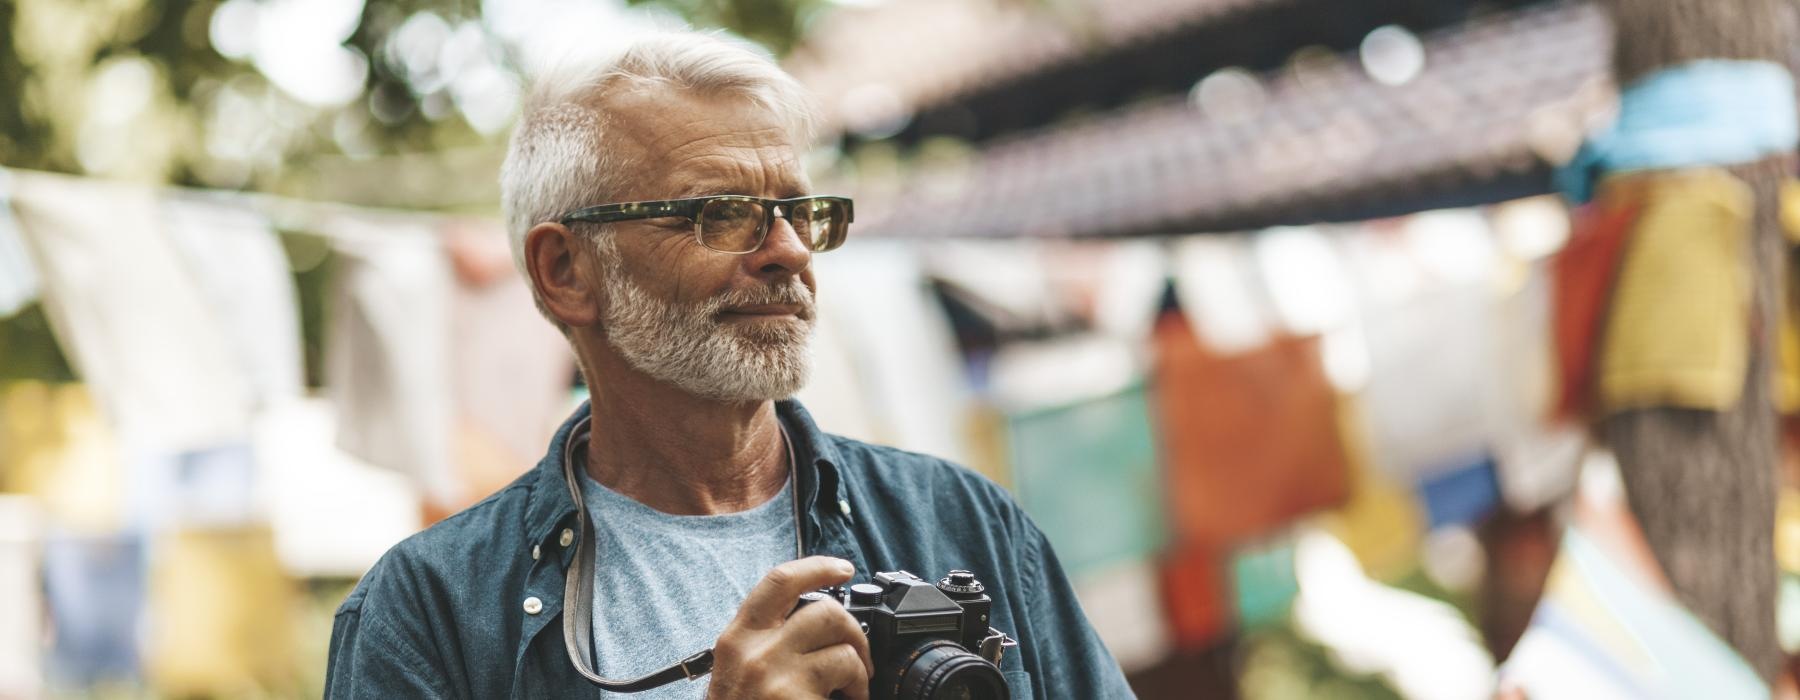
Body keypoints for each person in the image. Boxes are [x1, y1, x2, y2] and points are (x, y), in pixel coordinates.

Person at [325, 29, 1133, 700]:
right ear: (566, 272)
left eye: (799, 213)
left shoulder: (965, 525)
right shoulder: (427, 613)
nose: (787, 252)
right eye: (724, 215)